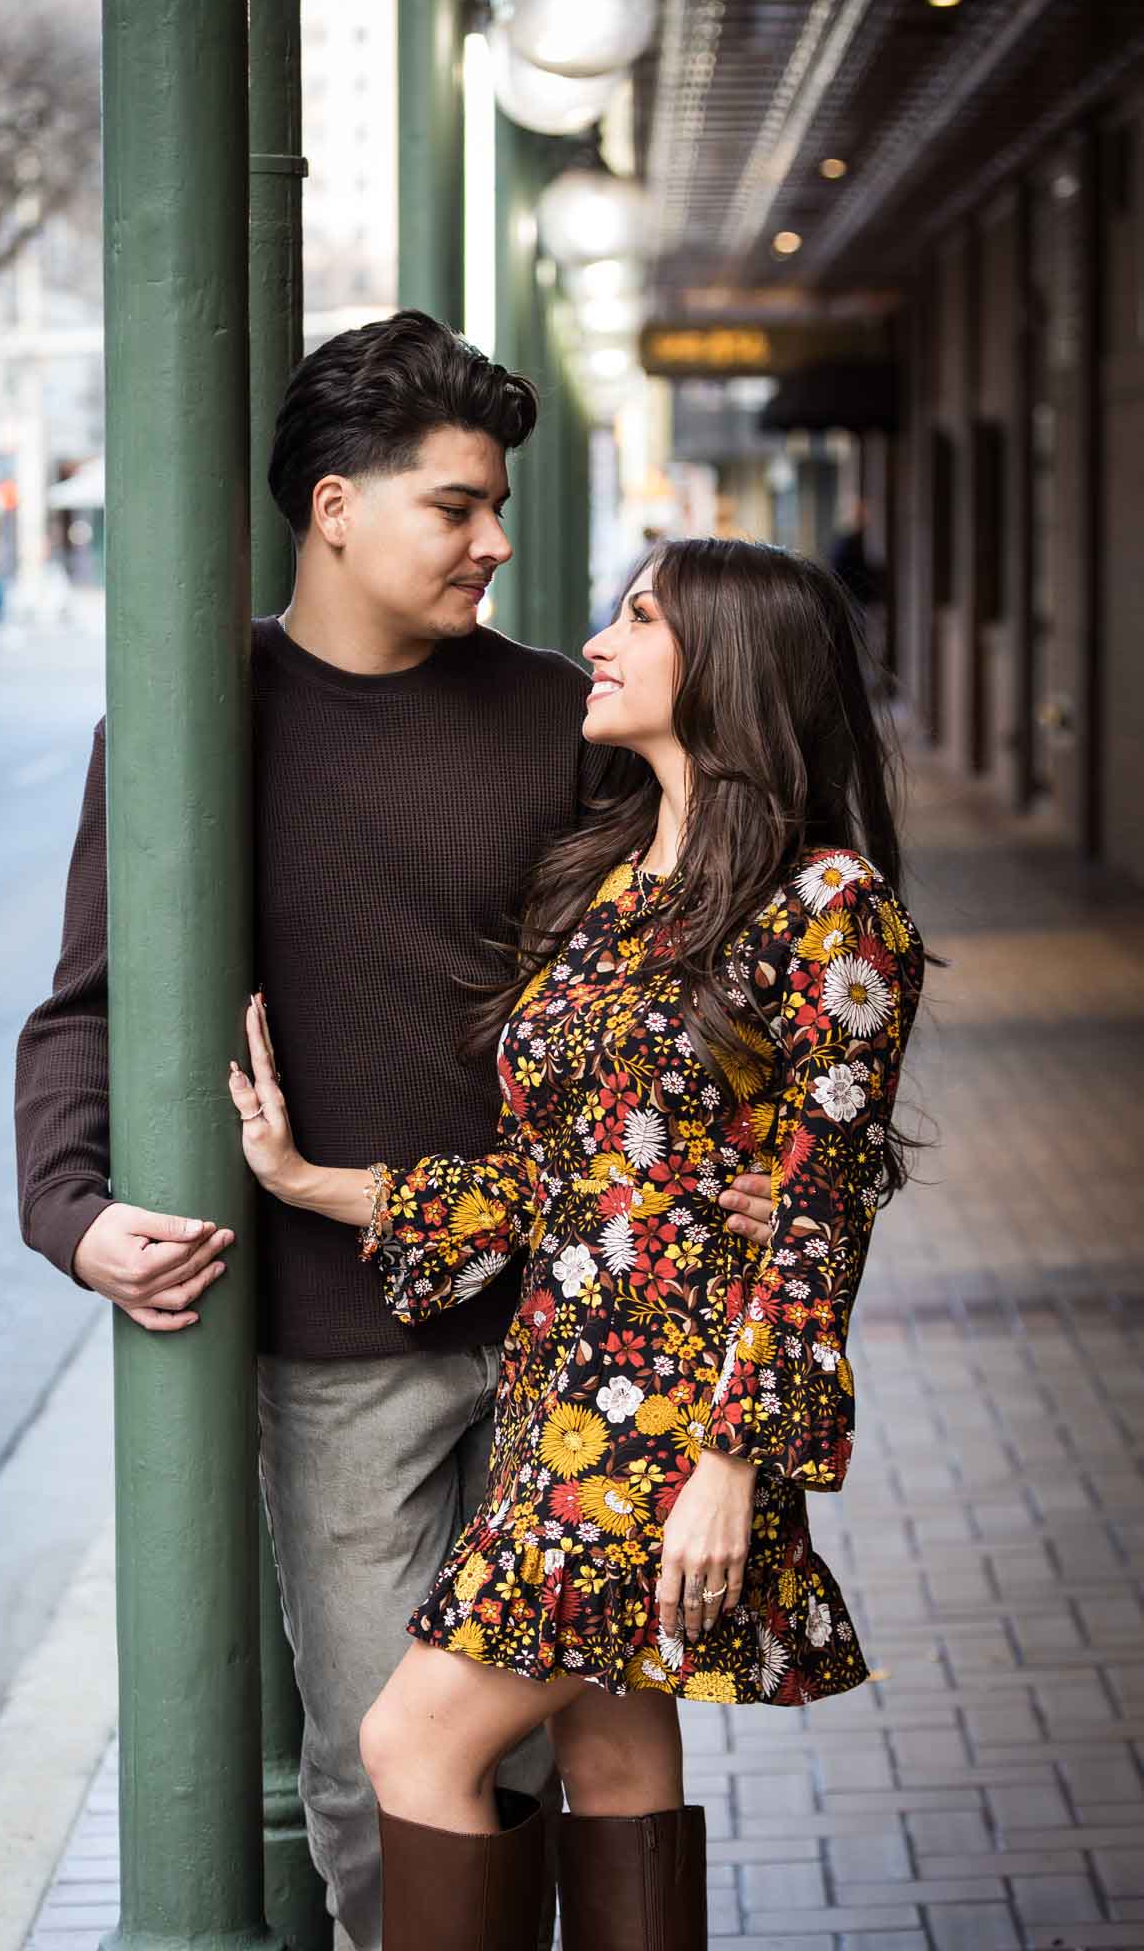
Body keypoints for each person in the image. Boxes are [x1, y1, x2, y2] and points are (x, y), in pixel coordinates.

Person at [13, 311, 775, 1951]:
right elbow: (87, 1008)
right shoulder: (183, 728)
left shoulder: (553, 724)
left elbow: (690, 971)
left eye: (498, 502)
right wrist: (74, 1213)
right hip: (344, 1339)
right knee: (389, 1759)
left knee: (609, 1732)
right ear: (335, 507)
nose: (497, 541)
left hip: (586, 1324)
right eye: (457, 505)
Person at [228, 536, 927, 1951]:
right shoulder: (616, 879)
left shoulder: (830, 910)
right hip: (565, 1389)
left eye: (639, 618)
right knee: (611, 1762)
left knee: (412, 1743)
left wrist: (731, 1468)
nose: (597, 643)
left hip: (665, 1430)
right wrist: (310, 1183)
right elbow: (558, 1182)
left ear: (729, 664)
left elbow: (818, 1217)